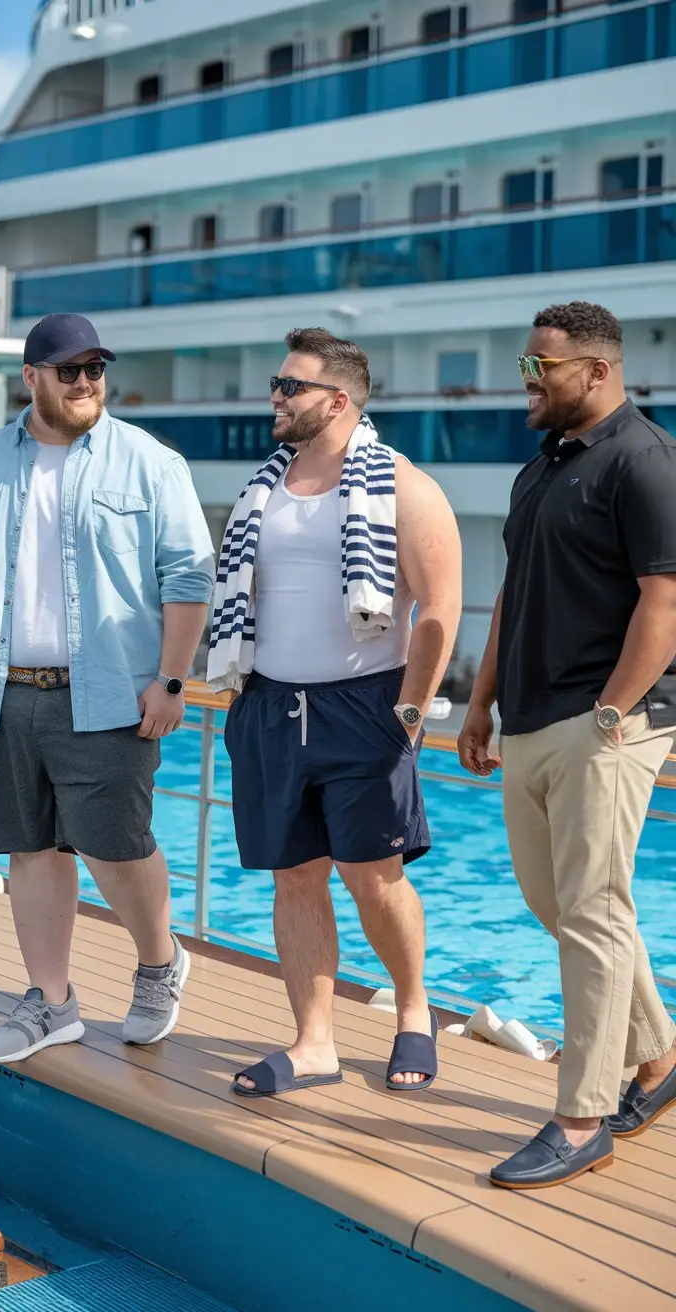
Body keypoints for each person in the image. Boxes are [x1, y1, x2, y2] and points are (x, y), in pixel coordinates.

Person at [0, 313, 214, 1063]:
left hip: (111, 695)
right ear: (31, 379)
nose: (87, 381)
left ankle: (160, 963)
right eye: (70, 370)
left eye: (96, 368)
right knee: (30, 851)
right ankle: (51, 1001)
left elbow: (190, 576)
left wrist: (171, 679)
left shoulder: (150, 463)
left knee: (117, 847)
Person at [208, 327, 461, 1097]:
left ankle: (412, 1013)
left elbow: (441, 604)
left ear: (338, 400)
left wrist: (410, 715)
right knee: (294, 878)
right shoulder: (265, 488)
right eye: (277, 384)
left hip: (364, 710)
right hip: (270, 705)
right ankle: (314, 1043)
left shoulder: (403, 485)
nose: (275, 398)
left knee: (372, 877)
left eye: (291, 386)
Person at [458, 301, 676, 1190]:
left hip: (607, 722)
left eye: (540, 366)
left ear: (596, 371)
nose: (528, 380)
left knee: (590, 914)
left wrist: (614, 716)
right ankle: (660, 1057)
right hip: (532, 719)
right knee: (560, 905)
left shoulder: (646, 463)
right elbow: (514, 594)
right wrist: (479, 703)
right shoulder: (542, 467)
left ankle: (582, 1115)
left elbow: (664, 606)